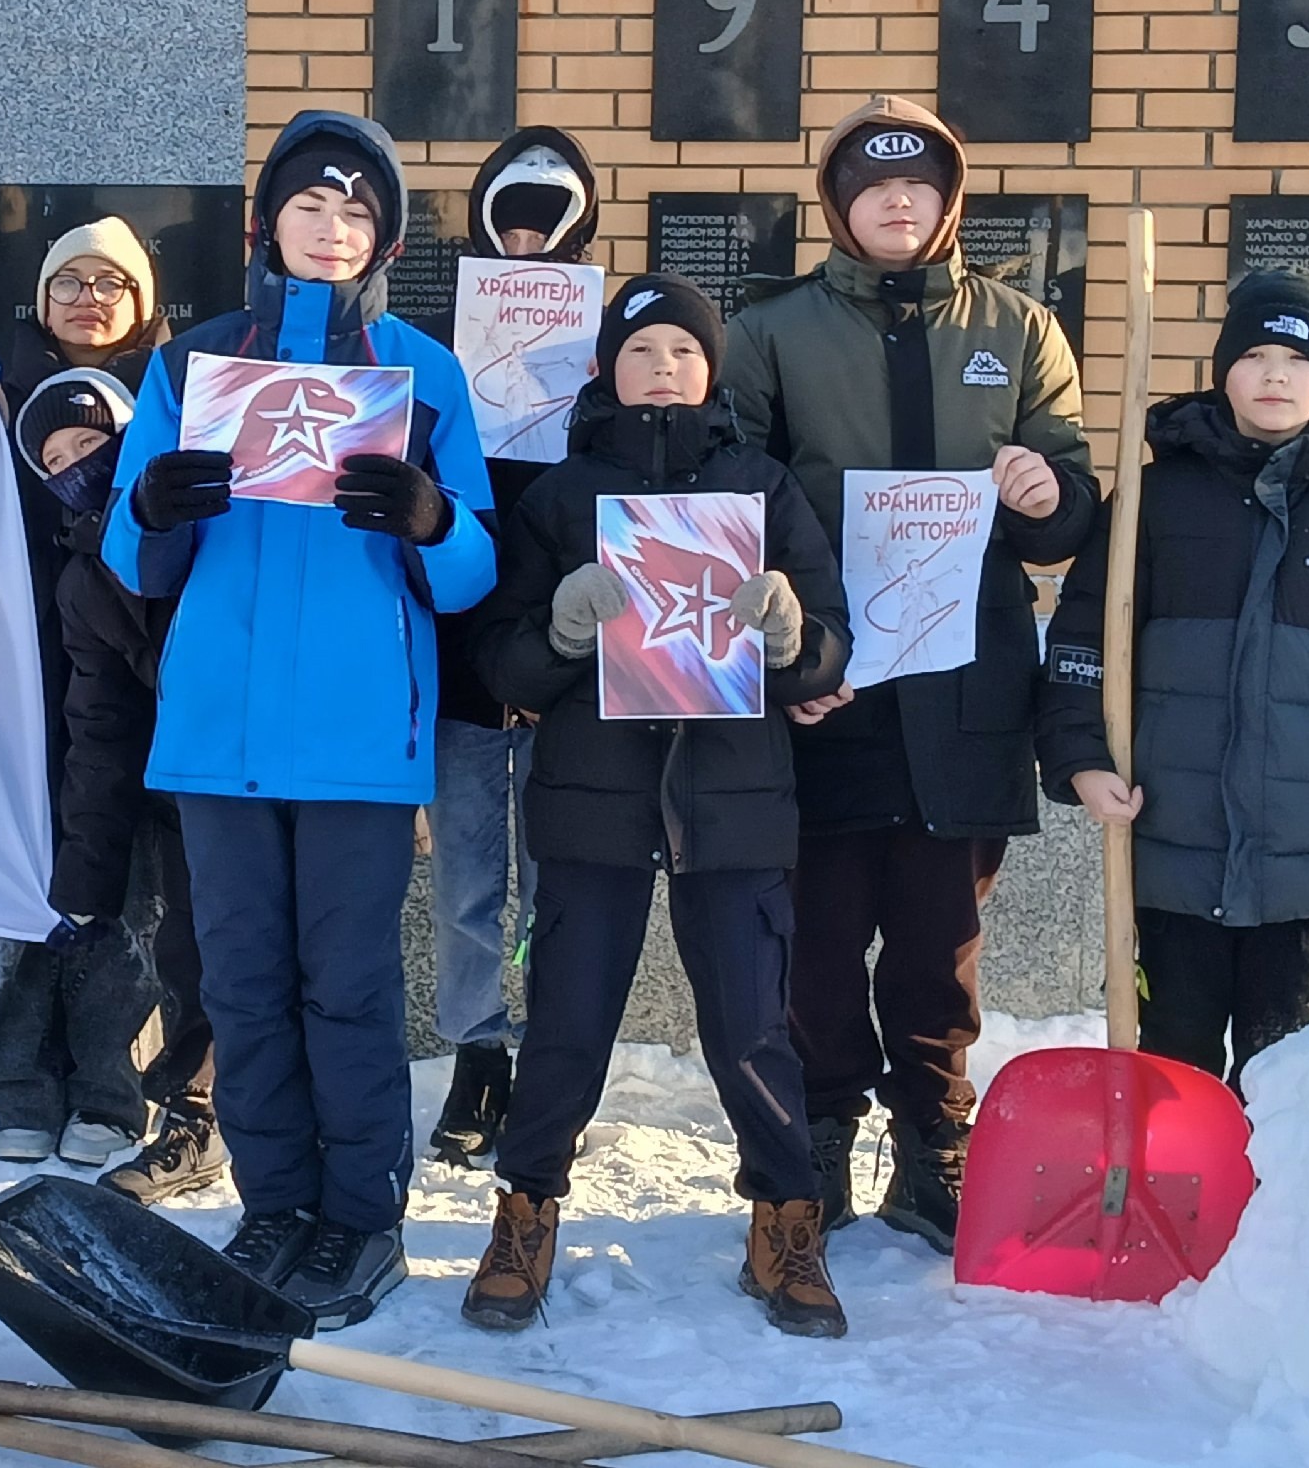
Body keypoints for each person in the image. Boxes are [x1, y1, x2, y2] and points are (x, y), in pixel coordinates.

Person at [104, 110, 496, 1328]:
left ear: (382, 237)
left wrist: (433, 522)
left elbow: (477, 567)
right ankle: (274, 1205)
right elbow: (132, 556)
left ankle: (361, 1220)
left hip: (356, 739)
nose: (333, 230)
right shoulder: (192, 365)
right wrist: (155, 505)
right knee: (243, 983)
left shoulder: (422, 374)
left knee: (347, 987)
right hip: (218, 735)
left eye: (359, 213)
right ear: (265, 221)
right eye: (311, 207)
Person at [723, 96, 1096, 1254]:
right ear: (837, 204)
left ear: (949, 202)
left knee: (940, 940)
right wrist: (784, 654)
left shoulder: (1021, 326)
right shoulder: (771, 329)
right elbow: (732, 493)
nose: (898, 200)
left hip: (965, 676)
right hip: (830, 673)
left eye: (921, 184)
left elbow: (1069, 501)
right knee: (821, 930)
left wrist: (1049, 496)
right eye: (874, 184)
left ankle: (933, 1145)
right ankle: (823, 1130)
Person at [464, 274, 854, 1338]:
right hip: (594, 799)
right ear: (606, 370)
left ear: (711, 370)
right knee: (569, 1019)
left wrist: (787, 640)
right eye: (643, 352)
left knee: (750, 1023)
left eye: (685, 352)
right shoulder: (555, 497)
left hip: (732, 800)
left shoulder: (760, 487)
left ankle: (783, 1220)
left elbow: (828, 640)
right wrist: (557, 631)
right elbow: (500, 661)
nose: (665, 368)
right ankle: (527, 1206)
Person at [1037, 267, 1309, 1088]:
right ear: (1224, 371)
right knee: (1171, 1073)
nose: (1273, 374)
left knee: (1288, 1077)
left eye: (1295, 360)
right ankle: (1177, 1212)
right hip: (1167, 850)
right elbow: (1083, 639)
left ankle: (1276, 1218)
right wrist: (1083, 757)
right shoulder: (1155, 501)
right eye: (1253, 354)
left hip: (1299, 865)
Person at [0, 220, 172, 1164]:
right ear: (40, 300)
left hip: (133, 684)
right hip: (15, 681)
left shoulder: (181, 406)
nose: (89, 299)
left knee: (127, 891)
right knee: (19, 883)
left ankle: (110, 1090)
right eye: (69, 282)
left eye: (111, 283)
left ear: (143, 303)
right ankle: (19, 1086)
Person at [425, 128, 600, 1166]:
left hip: (570, 656)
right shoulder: (436, 341)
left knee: (559, 882)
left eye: (552, 204)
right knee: (465, 882)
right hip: (458, 655)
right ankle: (475, 1051)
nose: (530, 224)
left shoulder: (604, 347)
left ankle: (552, 1056)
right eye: (511, 202)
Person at [30, 370, 227, 1203]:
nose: (81, 463)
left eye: (94, 442)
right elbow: (100, 731)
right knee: (193, 949)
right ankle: (197, 1117)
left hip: (285, 757)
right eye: (58, 457)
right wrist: (86, 881)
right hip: (185, 784)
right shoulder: (82, 580)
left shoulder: (216, 514)